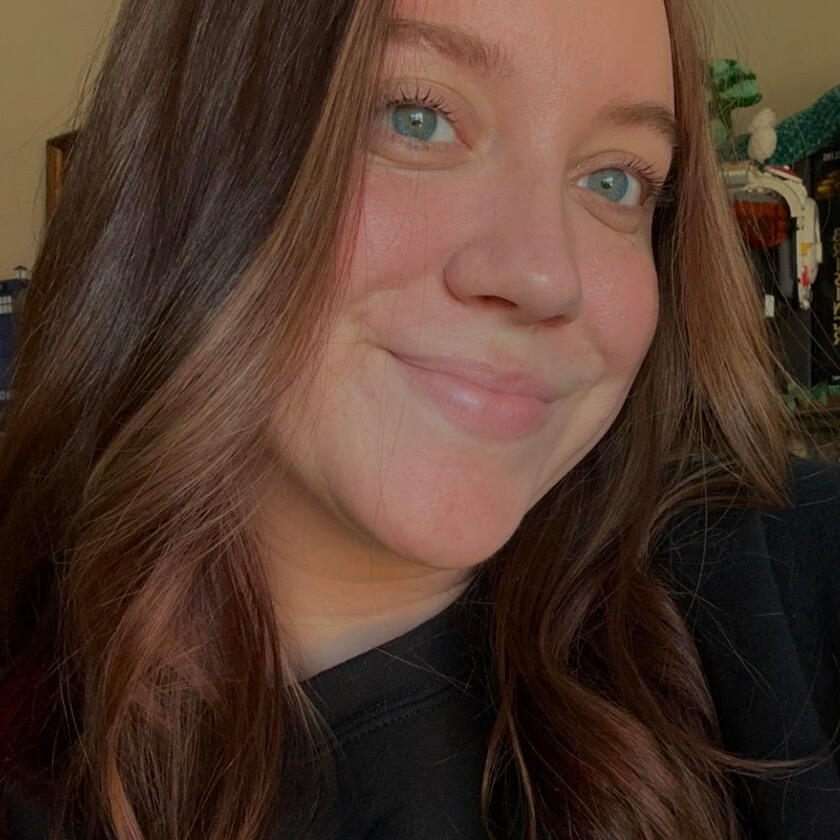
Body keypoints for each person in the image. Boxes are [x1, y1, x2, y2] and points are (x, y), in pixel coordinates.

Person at [1, 0, 838, 837]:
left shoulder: (769, 591)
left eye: (614, 180)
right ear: (187, 151)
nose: (547, 277)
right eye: (418, 118)